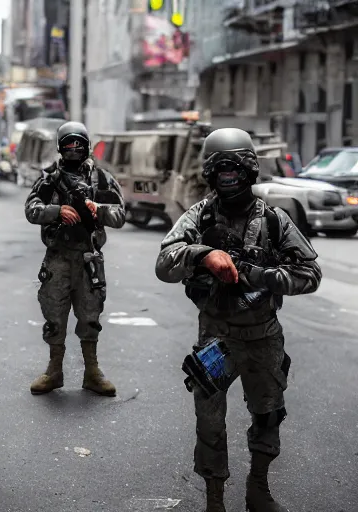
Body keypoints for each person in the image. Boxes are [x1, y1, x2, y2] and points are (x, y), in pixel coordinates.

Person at [154, 128, 321, 512]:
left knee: (267, 414)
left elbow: (309, 275)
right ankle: (215, 500)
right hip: (216, 339)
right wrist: (202, 255)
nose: (228, 176)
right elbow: (165, 263)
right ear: (209, 174)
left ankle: (257, 490)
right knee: (209, 423)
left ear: (250, 170)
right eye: (220, 169)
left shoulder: (275, 221)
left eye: (235, 168)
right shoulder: (199, 216)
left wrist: (261, 275)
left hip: (263, 337)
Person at [24, 121, 126, 396]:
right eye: (68, 145)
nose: (73, 150)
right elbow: (31, 209)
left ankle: (92, 372)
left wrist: (98, 209)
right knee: (54, 315)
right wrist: (57, 211)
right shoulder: (49, 179)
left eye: (77, 145)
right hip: (57, 258)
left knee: (90, 315)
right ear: (60, 147)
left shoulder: (101, 179)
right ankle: (54, 371)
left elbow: (119, 214)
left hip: (88, 258)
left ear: (86, 146)